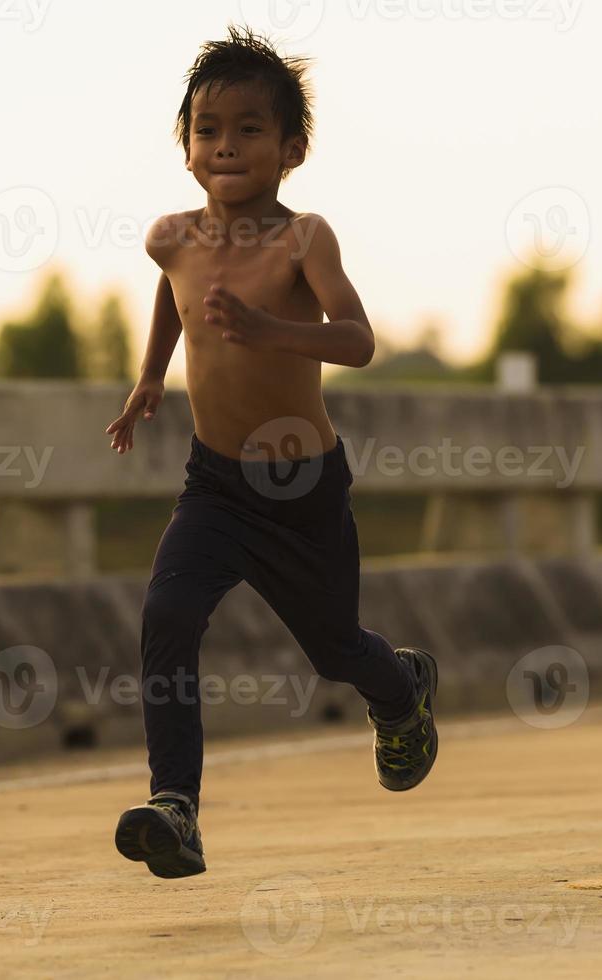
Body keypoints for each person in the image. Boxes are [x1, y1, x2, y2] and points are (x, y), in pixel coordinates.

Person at [105, 26, 439, 880]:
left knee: (332, 649)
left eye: (250, 128)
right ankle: (174, 805)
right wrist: (150, 374)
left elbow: (357, 340)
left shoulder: (303, 240)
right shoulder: (169, 237)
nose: (227, 144)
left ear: (290, 149)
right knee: (167, 618)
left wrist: (270, 331)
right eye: (208, 128)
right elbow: (173, 295)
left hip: (300, 487)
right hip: (213, 483)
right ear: (185, 148)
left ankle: (399, 690)